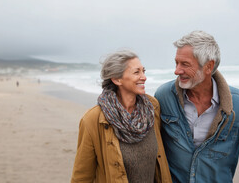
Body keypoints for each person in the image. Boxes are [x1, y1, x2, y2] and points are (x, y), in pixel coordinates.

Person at [155, 30, 239, 183]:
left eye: (185, 64)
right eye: (176, 62)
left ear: (208, 66)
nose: (177, 70)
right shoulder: (164, 96)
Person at [71, 50, 172, 183]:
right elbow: (82, 176)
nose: (144, 77)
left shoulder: (152, 107)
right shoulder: (93, 120)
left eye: (144, 71)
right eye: (137, 72)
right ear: (116, 79)